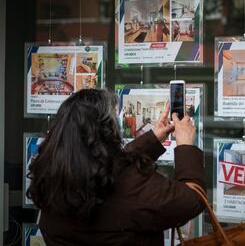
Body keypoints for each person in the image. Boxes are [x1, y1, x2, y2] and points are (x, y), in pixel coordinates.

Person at [26, 89, 205, 245]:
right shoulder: (129, 184)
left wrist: (152, 139)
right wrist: (185, 146)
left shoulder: (51, 178)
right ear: (105, 132)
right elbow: (192, 200)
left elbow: (108, 166)